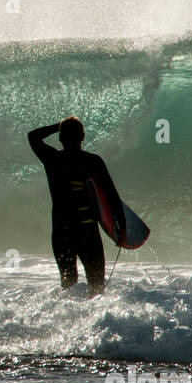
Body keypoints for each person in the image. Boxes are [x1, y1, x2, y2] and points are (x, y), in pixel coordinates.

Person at [28, 116, 125, 295]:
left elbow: (33, 136)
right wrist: (120, 227)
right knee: (96, 286)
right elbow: (111, 196)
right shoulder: (93, 161)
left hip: (62, 232)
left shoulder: (53, 160)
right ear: (83, 136)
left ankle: (68, 320)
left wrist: (59, 127)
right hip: (87, 231)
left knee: (68, 286)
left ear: (60, 138)